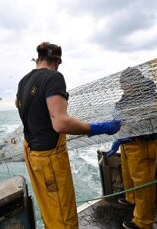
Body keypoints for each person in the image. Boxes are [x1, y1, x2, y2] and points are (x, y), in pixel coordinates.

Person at [16, 42, 122, 229]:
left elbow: (18, 103)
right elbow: (60, 123)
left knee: (50, 211)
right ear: (57, 61)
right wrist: (98, 128)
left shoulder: (23, 81)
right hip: (50, 159)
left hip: (33, 156)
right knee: (64, 217)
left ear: (38, 58)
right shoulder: (54, 77)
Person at [114, 67, 157, 229]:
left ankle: (144, 222)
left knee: (143, 182)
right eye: (122, 84)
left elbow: (146, 120)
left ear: (135, 83)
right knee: (128, 174)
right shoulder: (128, 97)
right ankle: (131, 198)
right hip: (128, 142)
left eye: (124, 84)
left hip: (143, 144)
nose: (122, 87)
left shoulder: (148, 96)